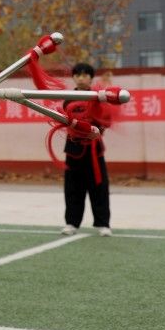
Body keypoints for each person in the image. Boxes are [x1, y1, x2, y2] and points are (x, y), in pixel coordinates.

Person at [61, 62, 112, 237]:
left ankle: (103, 224)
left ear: (91, 77)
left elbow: (106, 119)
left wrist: (97, 131)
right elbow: (64, 121)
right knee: (72, 188)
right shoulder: (67, 98)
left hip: (94, 150)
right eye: (77, 75)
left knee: (99, 187)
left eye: (85, 75)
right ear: (73, 78)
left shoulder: (98, 96)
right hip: (73, 149)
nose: (81, 78)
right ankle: (71, 223)